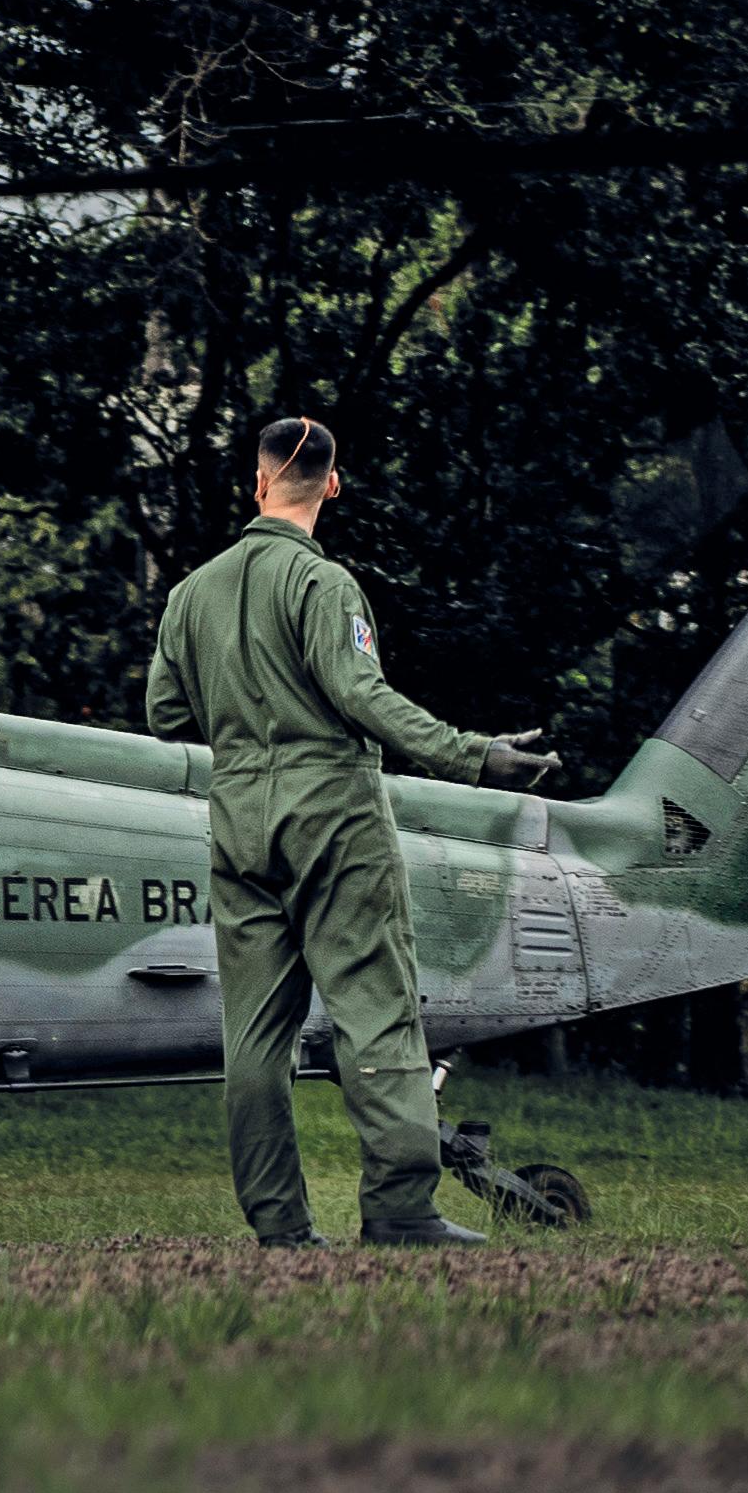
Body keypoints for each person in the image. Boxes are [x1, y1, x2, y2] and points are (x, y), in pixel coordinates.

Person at [140, 415, 560, 1249]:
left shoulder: (190, 596)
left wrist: (241, 714)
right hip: (333, 816)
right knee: (376, 1009)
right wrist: (475, 756)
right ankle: (401, 1208)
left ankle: (280, 1228)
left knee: (253, 1037)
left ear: (259, 481)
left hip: (239, 822)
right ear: (332, 485)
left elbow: (164, 714)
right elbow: (360, 695)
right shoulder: (323, 585)